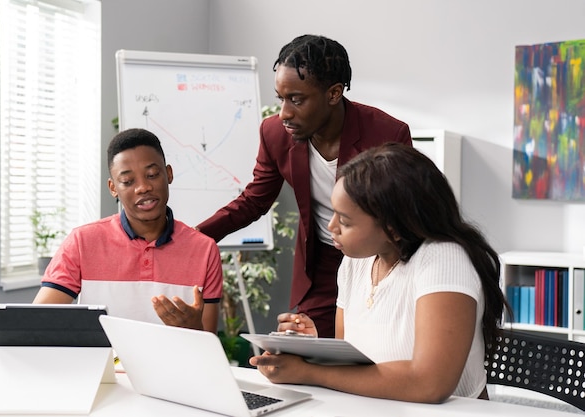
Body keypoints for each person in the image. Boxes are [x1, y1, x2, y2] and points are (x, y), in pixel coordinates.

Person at [249, 143, 510, 403]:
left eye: (345, 221)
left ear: (394, 228)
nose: (331, 227)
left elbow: (430, 384)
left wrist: (308, 371)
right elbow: (352, 365)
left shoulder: (444, 258)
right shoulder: (356, 262)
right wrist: (314, 349)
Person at [196, 34, 412, 337]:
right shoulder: (275, 133)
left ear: (334, 93)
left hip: (379, 257)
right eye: (280, 98)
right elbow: (253, 201)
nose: (284, 112)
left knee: (371, 349)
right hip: (322, 263)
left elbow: (404, 216)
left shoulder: (388, 134)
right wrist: (194, 237)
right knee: (307, 348)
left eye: (296, 100)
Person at [33, 128, 223, 333]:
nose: (143, 187)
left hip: (172, 365)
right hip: (106, 364)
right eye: (128, 181)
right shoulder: (82, 241)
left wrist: (193, 328)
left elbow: (207, 342)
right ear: (113, 187)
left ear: (168, 174)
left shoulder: (204, 249)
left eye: (152, 174)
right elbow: (37, 322)